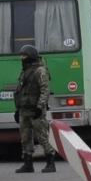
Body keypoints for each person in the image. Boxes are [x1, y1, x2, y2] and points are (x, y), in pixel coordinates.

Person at [13, 44, 58, 173]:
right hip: (24, 109)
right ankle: (28, 163)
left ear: (31, 56)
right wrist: (17, 110)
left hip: (35, 110)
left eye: (25, 55)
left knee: (43, 135)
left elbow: (45, 90)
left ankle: (50, 162)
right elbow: (21, 91)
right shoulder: (25, 71)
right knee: (25, 137)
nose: (22, 58)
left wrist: (40, 107)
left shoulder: (40, 71)